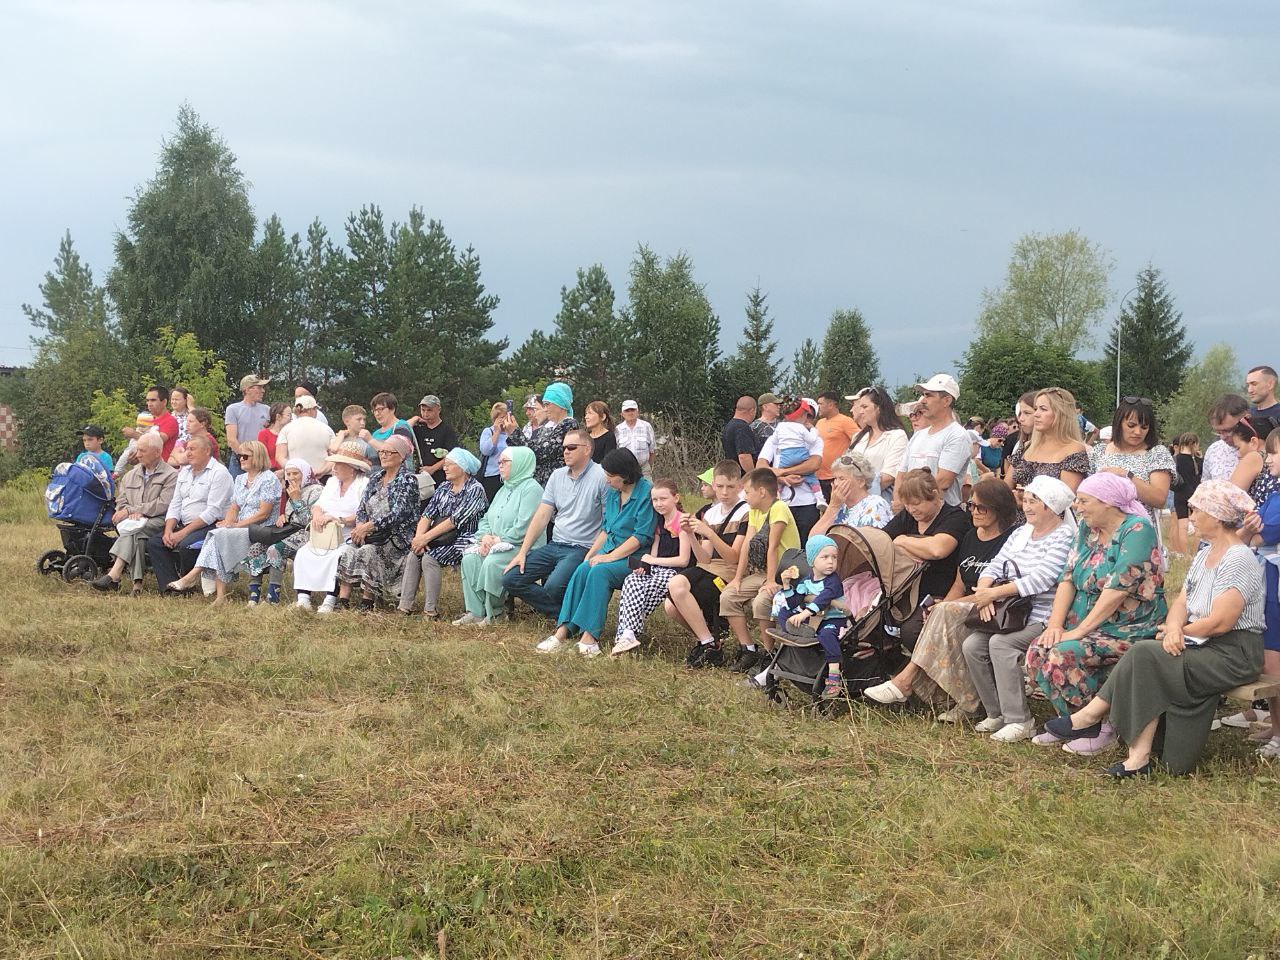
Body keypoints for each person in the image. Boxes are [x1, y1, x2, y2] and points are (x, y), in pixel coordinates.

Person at [1046, 480, 1265, 777]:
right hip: (1202, 644)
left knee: (1146, 654)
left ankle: (1091, 717)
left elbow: (1222, 622)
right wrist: (1175, 626)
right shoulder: (1205, 554)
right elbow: (1181, 602)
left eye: (1196, 509)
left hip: (1233, 653)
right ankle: (1137, 757)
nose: (1192, 515)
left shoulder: (1238, 558)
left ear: (1216, 515)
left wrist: (1180, 632)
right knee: (1146, 656)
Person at [1026, 473, 1167, 755]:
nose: (1077, 506)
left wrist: (1078, 632)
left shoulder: (1137, 529)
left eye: (1084, 501)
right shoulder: (1086, 529)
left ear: (1109, 503)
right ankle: (1078, 723)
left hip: (1129, 626)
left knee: (1063, 653)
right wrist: (1055, 624)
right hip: (1088, 622)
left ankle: (1102, 727)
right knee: (1038, 650)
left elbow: (1117, 591)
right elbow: (1067, 578)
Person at [864, 477, 1016, 707]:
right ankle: (945, 696)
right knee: (927, 617)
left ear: (999, 508)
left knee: (935, 619)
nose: (974, 512)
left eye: (981, 507)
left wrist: (946, 607)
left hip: (992, 606)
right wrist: (941, 605)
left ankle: (905, 681)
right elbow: (959, 583)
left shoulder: (1010, 540)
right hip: (965, 602)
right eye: (971, 505)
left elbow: (995, 591)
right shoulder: (970, 537)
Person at [959, 477, 1079, 741]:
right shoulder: (1020, 532)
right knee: (973, 645)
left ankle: (1020, 719)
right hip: (1008, 611)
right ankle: (997, 712)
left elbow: (1043, 579)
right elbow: (995, 565)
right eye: (1025, 501)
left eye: (1033, 501)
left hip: (1042, 615)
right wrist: (985, 596)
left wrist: (995, 593)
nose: (1027, 507)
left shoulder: (1064, 536)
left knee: (1001, 644)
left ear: (1051, 506)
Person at [536, 449, 656, 657]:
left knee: (600, 572)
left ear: (625, 475)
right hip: (609, 550)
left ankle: (590, 638)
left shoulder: (646, 493)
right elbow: (606, 529)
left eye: (610, 476)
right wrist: (590, 555)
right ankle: (562, 631)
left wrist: (607, 558)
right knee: (583, 569)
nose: (607, 481)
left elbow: (640, 537)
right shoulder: (613, 493)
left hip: (639, 560)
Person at [502, 427, 608, 618]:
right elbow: (542, 516)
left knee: (552, 587)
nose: (566, 451)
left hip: (582, 547)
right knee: (511, 579)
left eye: (572, 447)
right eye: (564, 447)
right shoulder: (557, 475)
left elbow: (608, 524)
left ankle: (566, 617)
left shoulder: (602, 476)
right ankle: (568, 616)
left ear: (587, 449)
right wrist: (523, 553)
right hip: (556, 544)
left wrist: (593, 554)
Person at [164, 441, 282, 604]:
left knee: (220, 536)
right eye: (239, 456)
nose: (241, 459)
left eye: (245, 456)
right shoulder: (240, 479)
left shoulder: (269, 478)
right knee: (218, 534)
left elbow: (263, 513)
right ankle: (218, 596)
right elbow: (234, 507)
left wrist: (236, 526)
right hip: (241, 529)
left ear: (258, 456)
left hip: (261, 529)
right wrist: (228, 522)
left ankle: (193, 577)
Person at [721, 467, 801, 675]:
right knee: (728, 596)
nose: (744, 496)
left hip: (785, 573)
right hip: (762, 573)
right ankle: (747, 648)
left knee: (761, 601)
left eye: (747, 492)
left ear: (762, 492)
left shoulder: (779, 508)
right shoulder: (754, 511)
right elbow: (747, 544)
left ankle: (769, 653)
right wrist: (738, 578)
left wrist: (771, 581)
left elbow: (773, 546)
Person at [669, 461, 750, 668]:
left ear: (739, 486)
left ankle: (710, 643)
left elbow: (734, 557)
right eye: (720, 486)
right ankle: (709, 641)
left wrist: (710, 534)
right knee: (670, 605)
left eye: (730, 487)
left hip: (731, 572)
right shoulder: (711, 513)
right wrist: (691, 535)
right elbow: (704, 558)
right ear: (714, 485)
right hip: (710, 568)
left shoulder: (745, 512)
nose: (724, 492)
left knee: (681, 593)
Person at [328, 434, 420, 613]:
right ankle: (343, 600)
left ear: (400, 456)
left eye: (388, 452)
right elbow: (362, 507)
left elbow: (399, 514)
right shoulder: (376, 477)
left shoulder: (408, 481)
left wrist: (369, 526)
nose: (383, 455)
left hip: (394, 539)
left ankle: (367, 602)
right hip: (370, 534)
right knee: (348, 550)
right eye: (381, 451)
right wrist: (361, 526)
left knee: (368, 551)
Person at [456, 447, 544, 626]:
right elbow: (487, 518)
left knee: (492, 563)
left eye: (505, 462)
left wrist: (499, 539)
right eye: (499, 462)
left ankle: (495, 613)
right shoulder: (504, 488)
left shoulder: (531, 489)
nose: (500, 465)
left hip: (523, 547)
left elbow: (525, 525)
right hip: (496, 543)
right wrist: (485, 537)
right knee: (470, 558)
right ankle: (476, 611)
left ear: (520, 463)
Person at [398, 447, 488, 618]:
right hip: (440, 537)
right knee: (414, 553)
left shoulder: (475, 489)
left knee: (430, 557)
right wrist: (418, 539)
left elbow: (455, 521)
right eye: (444, 464)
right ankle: (404, 606)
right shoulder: (444, 487)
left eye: (449, 464)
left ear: (462, 467)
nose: (444, 468)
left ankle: (430, 610)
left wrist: (426, 538)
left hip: (465, 538)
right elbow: (427, 514)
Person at [610, 478, 692, 656]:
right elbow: (653, 555)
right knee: (632, 580)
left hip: (678, 573)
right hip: (659, 568)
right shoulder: (659, 522)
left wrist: (653, 562)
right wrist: (645, 566)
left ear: (676, 498)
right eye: (655, 500)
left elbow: (683, 560)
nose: (658, 504)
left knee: (645, 590)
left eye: (663, 499)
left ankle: (626, 634)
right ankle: (627, 635)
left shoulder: (682, 522)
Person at [90, 433, 178, 595]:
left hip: (160, 521)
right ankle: (136, 585)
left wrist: (134, 511)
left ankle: (115, 575)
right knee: (136, 535)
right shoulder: (130, 476)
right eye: (137, 450)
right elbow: (121, 501)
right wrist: (125, 513)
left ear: (157, 452)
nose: (137, 454)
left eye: (142, 451)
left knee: (135, 532)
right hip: (133, 522)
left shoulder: (171, 475)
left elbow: (163, 504)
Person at [146, 435, 233, 593]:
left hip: (212, 525)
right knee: (155, 543)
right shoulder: (184, 472)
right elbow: (175, 503)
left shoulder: (219, 472)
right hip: (185, 524)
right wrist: (169, 531)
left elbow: (212, 512)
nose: (188, 453)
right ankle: (170, 587)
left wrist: (182, 534)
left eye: (192, 449)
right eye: (186, 449)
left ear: (207, 451)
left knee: (188, 545)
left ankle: (188, 583)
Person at [292, 442, 371, 611]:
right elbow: (318, 505)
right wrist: (318, 515)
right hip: (324, 534)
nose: (333, 468)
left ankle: (330, 599)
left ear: (351, 468)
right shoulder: (332, 482)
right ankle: (304, 598)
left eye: (338, 464)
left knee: (337, 556)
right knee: (304, 552)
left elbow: (365, 513)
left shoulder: (364, 484)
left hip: (349, 535)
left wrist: (339, 519)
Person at [774, 534, 849, 698]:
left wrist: (805, 614)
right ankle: (799, 630)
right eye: (825, 557)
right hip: (812, 620)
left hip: (832, 619)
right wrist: (786, 585)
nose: (830, 561)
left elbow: (823, 599)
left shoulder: (833, 581)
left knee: (828, 634)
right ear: (812, 561)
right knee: (784, 612)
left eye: (834, 557)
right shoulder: (806, 582)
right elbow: (794, 602)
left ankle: (834, 677)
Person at [244, 458, 323, 606]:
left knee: (275, 550)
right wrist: (283, 518)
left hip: (309, 534)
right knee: (255, 548)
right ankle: (253, 598)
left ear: (305, 473)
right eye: (289, 474)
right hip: (289, 531)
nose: (292, 477)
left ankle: (273, 599)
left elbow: (309, 521)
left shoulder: (316, 491)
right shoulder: (290, 489)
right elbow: (290, 516)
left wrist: (297, 499)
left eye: (296, 473)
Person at [1088, 397, 1176, 526]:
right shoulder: (1099, 451)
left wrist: (1125, 475)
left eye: (1144, 427)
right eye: (1131, 425)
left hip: (1137, 532)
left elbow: (1159, 499)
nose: (1138, 432)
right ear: (1119, 423)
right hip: (1100, 530)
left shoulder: (1156, 453)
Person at [1007, 387, 1090, 520]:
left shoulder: (1074, 450)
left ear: (1060, 414)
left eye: (1043, 409)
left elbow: (1064, 501)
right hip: (1017, 525)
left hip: (1051, 528)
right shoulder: (1027, 447)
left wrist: (1025, 502)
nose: (1036, 414)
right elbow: (1006, 486)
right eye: (1035, 409)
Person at [894, 374, 970, 508]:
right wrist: (900, 504)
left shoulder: (957, 435)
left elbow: (943, 482)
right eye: (923, 395)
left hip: (943, 514)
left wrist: (909, 502)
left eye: (929, 395)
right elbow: (900, 476)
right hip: (911, 510)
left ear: (947, 401)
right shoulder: (917, 436)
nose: (922, 400)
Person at [757, 398, 824, 542]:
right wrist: (781, 478)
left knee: (805, 545)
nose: (806, 418)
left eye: (810, 415)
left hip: (807, 503)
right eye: (803, 413)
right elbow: (761, 465)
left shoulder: (815, 439)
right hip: (779, 502)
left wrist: (782, 472)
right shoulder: (777, 436)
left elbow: (814, 464)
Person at [503, 382, 579, 487]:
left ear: (560, 404)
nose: (545, 409)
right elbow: (528, 451)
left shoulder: (569, 424)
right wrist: (511, 433)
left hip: (556, 486)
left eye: (547, 404)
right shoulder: (547, 427)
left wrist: (515, 433)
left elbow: (541, 453)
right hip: (542, 485)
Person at [810, 452, 893, 537]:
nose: (836, 484)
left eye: (842, 479)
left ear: (861, 482)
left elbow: (867, 544)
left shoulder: (875, 504)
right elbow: (813, 540)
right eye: (835, 478)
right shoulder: (839, 506)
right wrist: (833, 507)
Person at [846, 386, 908, 500]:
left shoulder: (897, 436)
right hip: (852, 500)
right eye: (860, 407)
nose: (861, 411)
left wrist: (860, 493)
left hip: (880, 501)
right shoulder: (858, 437)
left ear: (879, 408)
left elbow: (889, 476)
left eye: (865, 407)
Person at [814, 392, 858, 504]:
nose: (818, 406)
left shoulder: (845, 421)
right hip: (819, 478)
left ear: (831, 405)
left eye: (820, 403)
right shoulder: (819, 423)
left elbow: (860, 440)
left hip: (836, 478)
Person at [224, 374, 271, 477]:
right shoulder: (233, 409)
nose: (262, 391)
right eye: (259, 387)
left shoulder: (267, 409)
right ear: (247, 389)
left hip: (260, 461)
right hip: (239, 461)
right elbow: (232, 439)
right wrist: (245, 457)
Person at [275, 394, 334, 475]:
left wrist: (294, 470)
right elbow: (334, 457)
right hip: (322, 477)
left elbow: (280, 457)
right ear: (311, 410)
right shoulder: (327, 429)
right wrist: (321, 471)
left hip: (294, 479)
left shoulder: (286, 429)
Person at [1228, 416, 1280, 506]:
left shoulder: (1254, 457)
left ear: (1253, 442)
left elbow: (1229, 498)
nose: (1238, 454)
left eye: (1238, 448)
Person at [122, 386, 180, 463]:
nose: (149, 404)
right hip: (144, 469)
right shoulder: (147, 419)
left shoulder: (171, 421)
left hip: (160, 470)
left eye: (153, 400)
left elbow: (156, 442)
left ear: (164, 402)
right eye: (148, 400)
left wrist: (134, 434)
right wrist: (134, 459)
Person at [408, 395, 459, 480]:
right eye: (423, 410)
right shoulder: (418, 428)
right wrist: (415, 419)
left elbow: (453, 454)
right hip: (420, 475)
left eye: (429, 410)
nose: (425, 414)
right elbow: (401, 430)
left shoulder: (447, 430)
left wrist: (432, 469)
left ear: (438, 410)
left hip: (441, 477)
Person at [1169, 432, 1203, 556]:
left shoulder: (1175, 459)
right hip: (1195, 494)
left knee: (1182, 526)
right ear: (1193, 444)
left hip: (1179, 493)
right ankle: (1195, 554)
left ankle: (1183, 555)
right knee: (1198, 527)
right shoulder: (1199, 461)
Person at [1203, 394, 1249, 482]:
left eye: (1228, 431)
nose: (1222, 437)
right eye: (1218, 432)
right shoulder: (1214, 450)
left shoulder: (1263, 448)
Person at [1000, 392, 1037, 487]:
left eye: (1027, 413)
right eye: (1020, 413)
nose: (1021, 419)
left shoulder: (1069, 451)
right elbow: (1007, 487)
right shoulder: (1023, 446)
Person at [478, 401, 510, 502]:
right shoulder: (488, 431)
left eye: (506, 417)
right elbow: (486, 450)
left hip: (508, 475)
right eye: (501, 417)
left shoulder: (512, 433)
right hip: (492, 476)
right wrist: (497, 432)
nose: (504, 420)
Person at [722, 396, 760, 476]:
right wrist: (753, 476)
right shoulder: (742, 428)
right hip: (742, 477)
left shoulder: (730, 425)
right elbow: (744, 456)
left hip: (731, 474)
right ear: (752, 410)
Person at [615, 400, 656, 474]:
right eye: (627, 410)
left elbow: (652, 450)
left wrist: (649, 467)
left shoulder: (647, 426)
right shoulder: (617, 429)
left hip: (644, 469)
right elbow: (616, 451)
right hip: (625, 471)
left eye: (633, 410)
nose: (630, 413)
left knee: (648, 485)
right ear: (622, 414)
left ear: (638, 411)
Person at [257, 401, 291, 470]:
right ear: (278, 417)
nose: (291, 418)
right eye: (289, 415)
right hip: (271, 471)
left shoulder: (291, 434)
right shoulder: (264, 434)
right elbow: (262, 458)